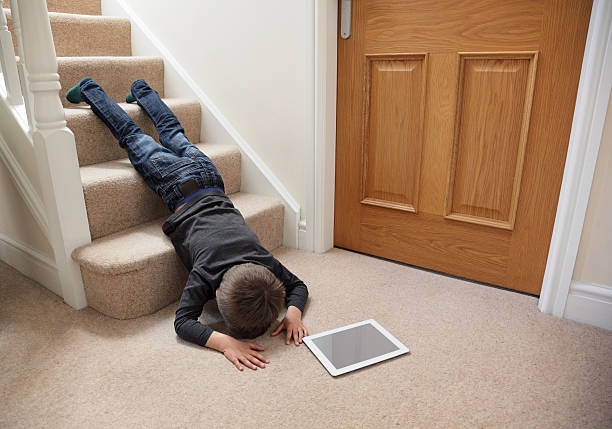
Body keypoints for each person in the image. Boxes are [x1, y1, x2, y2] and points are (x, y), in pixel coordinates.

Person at [66, 78, 309, 371]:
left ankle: (142, 92)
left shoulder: (264, 261)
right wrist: (225, 342)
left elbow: (298, 286)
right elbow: (183, 323)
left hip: (209, 176)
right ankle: (90, 90)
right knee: (131, 136)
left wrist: (292, 312)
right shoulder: (206, 272)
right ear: (216, 295)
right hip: (173, 183)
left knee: (173, 132)